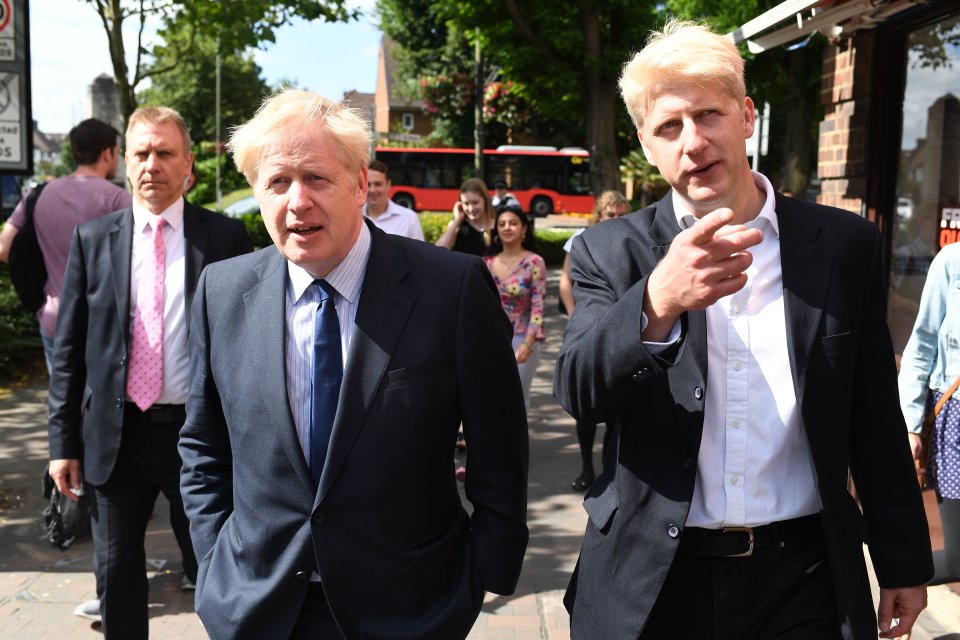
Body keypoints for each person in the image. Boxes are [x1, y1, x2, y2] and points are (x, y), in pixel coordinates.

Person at [554, 19, 933, 640]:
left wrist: (903, 562)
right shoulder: (607, 251)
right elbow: (579, 391)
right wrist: (657, 301)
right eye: (668, 127)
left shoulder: (843, 245)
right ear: (646, 146)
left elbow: (873, 417)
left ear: (747, 116)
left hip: (805, 577)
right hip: (655, 580)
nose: (693, 142)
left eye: (708, 114)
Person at [178, 89, 529, 640]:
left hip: (410, 608)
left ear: (361, 183)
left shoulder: (450, 288)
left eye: (316, 178)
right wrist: (213, 562)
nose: (297, 202)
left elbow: (499, 445)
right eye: (277, 182)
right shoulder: (220, 292)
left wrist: (483, 572)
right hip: (259, 607)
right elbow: (203, 445)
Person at [46, 106, 253, 639]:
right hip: (117, 439)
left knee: (217, 570)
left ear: (189, 164)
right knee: (116, 578)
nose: (151, 164)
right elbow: (68, 350)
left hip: (200, 438)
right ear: (125, 162)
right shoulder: (94, 240)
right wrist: (61, 444)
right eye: (141, 152)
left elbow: (249, 345)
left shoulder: (226, 239)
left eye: (165, 152)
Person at [0, 118, 131, 374]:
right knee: (99, 411)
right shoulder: (117, 199)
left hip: (53, 318)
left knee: (63, 407)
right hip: (104, 323)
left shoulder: (39, 194)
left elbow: (4, 248)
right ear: (108, 152)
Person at [559, 190, 629, 492]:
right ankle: (587, 467)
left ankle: (607, 472)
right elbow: (566, 282)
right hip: (587, 328)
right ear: (599, 215)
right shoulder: (581, 240)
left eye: (621, 215)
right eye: (609, 215)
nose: (615, 220)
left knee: (616, 410)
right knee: (585, 405)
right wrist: (577, 320)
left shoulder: (631, 239)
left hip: (619, 330)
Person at [899, 240, 960, 588]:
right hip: (955, 423)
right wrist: (909, 426)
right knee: (956, 558)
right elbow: (920, 348)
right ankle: (885, 573)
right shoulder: (952, 263)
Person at [484, 207, 546, 407]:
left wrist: (528, 343)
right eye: (501, 224)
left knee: (515, 402)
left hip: (521, 338)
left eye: (512, 223)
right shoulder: (485, 264)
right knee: (488, 399)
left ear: (524, 228)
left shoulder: (535, 262)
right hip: (489, 340)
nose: (507, 228)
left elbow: (538, 306)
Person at [363, 159, 424, 240]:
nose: (372, 190)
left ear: (388, 184)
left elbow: (419, 251)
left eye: (378, 184)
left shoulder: (409, 218)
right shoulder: (354, 217)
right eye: (368, 184)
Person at [435, 178, 495, 255]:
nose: (471, 208)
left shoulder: (498, 225)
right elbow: (438, 252)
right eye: (466, 204)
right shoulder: (457, 225)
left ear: (485, 201)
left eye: (475, 202)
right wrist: (456, 221)